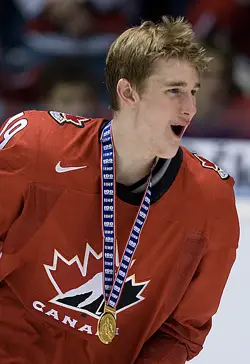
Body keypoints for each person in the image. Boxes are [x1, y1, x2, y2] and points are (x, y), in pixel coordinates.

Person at [0, 16, 239, 364]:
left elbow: (182, 331)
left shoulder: (210, 201)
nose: (190, 109)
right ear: (128, 92)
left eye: (193, 91)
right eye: (174, 90)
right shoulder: (35, 146)